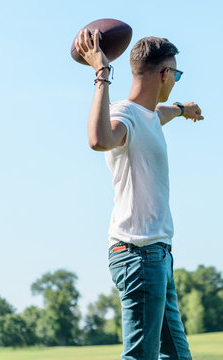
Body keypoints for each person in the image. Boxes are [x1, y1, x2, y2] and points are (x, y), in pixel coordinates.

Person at [75, 29, 203, 360]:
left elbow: (159, 113)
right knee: (140, 357)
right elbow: (99, 139)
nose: (175, 79)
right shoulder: (123, 115)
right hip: (138, 255)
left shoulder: (149, 116)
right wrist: (101, 73)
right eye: (175, 73)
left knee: (177, 357)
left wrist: (181, 107)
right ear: (165, 74)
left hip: (157, 256)